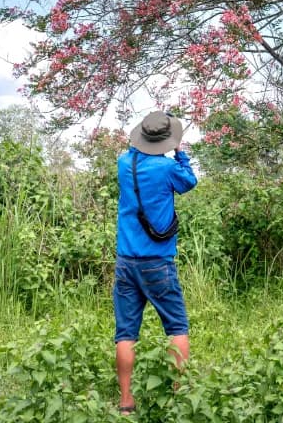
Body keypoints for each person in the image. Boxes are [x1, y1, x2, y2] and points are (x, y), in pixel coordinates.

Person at [114, 111, 198, 416]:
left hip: (125, 260)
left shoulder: (124, 163)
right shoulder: (168, 169)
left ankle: (126, 402)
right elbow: (189, 182)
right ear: (166, 140)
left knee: (125, 332)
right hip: (158, 262)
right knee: (177, 326)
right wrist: (180, 152)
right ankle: (179, 397)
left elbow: (134, 154)